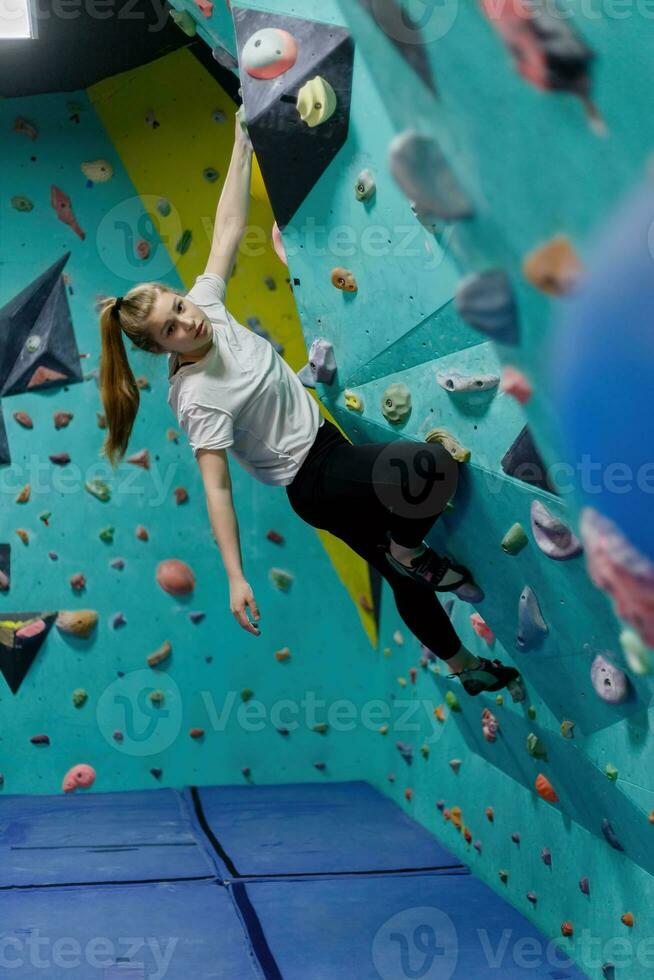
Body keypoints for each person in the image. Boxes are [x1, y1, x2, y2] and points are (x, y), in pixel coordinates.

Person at [98, 107, 519, 697]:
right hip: (314, 478)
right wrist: (236, 574)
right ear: (158, 347)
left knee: (406, 584)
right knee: (431, 467)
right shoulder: (195, 397)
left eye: (179, 306)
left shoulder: (207, 308)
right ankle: (407, 547)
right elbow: (216, 486)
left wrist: (240, 143)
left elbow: (225, 230)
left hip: (329, 455)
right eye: (171, 329)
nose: (187, 321)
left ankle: (465, 670)